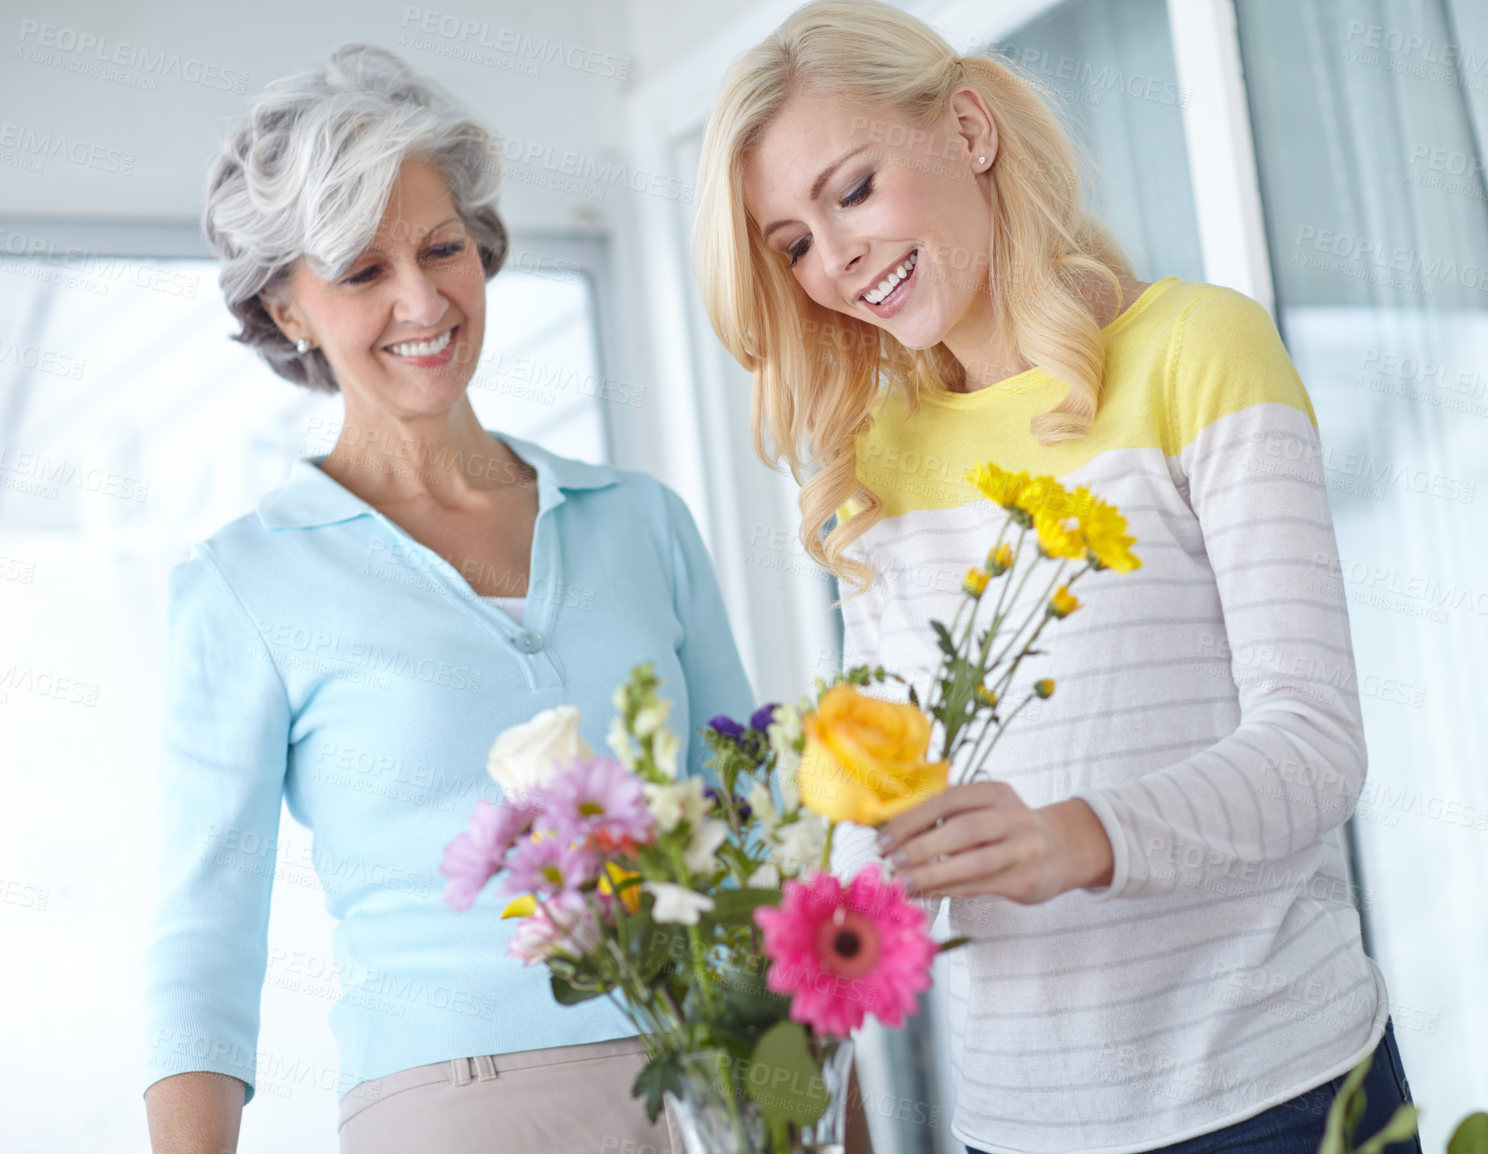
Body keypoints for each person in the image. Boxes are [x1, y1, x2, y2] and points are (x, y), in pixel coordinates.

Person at [692, 3, 1420, 1153]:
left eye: (854, 189)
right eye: (789, 240)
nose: (834, 259)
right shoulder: (872, 460)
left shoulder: (1196, 349)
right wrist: (797, 1061)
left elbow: (1314, 743)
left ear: (968, 129)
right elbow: (876, 814)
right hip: (1017, 1122)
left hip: (1275, 1092)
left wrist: (1081, 834)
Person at [141, 45, 752, 1154]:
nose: (422, 300)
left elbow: (745, 849)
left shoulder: (641, 521)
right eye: (362, 271)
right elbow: (203, 940)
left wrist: (822, 1107)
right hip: (454, 1105)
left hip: (717, 1080)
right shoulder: (244, 581)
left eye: (441, 248)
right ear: (288, 307)